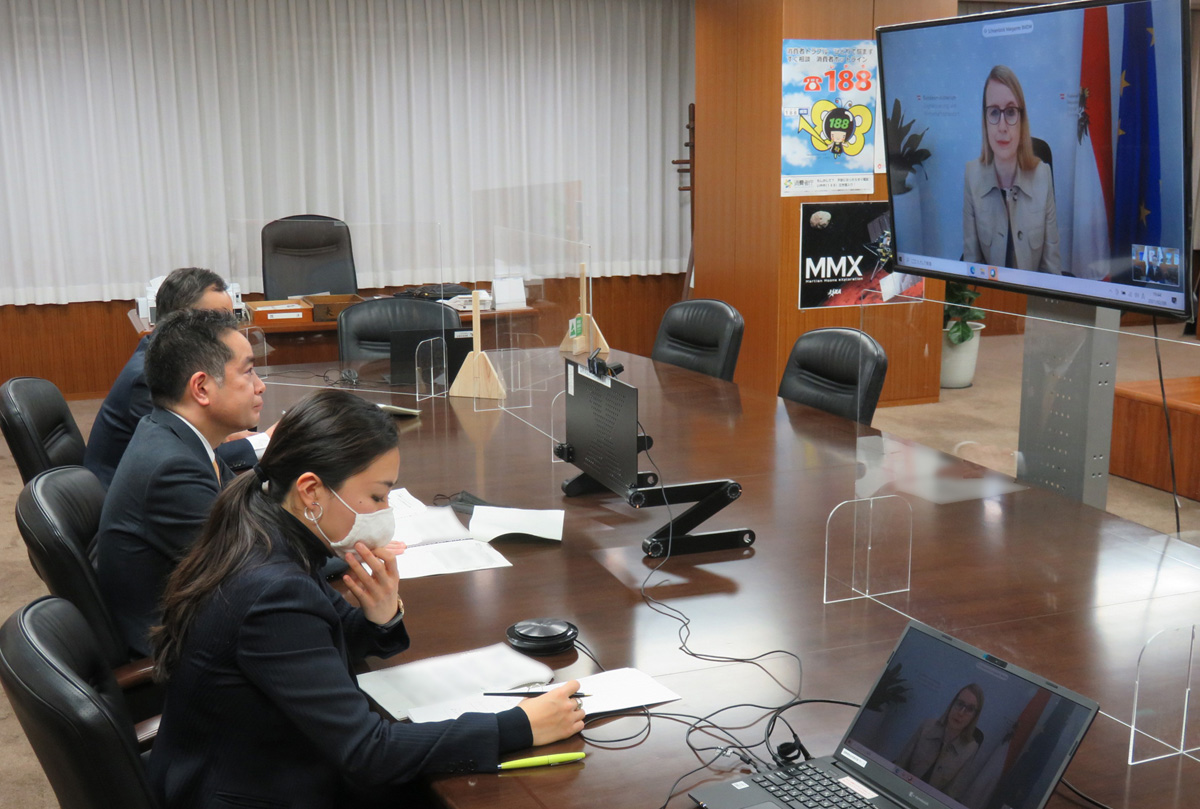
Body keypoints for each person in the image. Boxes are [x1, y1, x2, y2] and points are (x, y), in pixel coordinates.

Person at [147, 389, 585, 809]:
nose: (385, 509)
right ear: (311, 491)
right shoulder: (273, 590)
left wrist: (380, 618)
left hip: (259, 767)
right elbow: (367, 751)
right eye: (377, 495)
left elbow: (314, 652)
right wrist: (517, 725)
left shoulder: (270, 531)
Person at [95, 307, 265, 656]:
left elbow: (248, 510)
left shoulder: (177, 433)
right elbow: (251, 567)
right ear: (201, 388)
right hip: (183, 655)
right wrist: (336, 543)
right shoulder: (172, 470)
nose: (260, 385)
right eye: (248, 372)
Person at [84, 267, 270, 488]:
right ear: (183, 322)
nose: (229, 330)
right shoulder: (149, 376)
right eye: (216, 320)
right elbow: (192, 455)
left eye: (231, 318)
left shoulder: (168, 357)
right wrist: (266, 441)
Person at [962, 65, 1061, 274]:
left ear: (1022, 120)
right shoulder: (972, 175)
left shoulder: (1043, 176)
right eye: (994, 112)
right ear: (985, 120)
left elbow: (1051, 270)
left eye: (1010, 112)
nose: (1002, 126)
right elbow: (972, 265)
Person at [895, 684, 984, 798]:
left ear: (974, 716)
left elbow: (951, 794)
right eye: (960, 704)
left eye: (970, 709)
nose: (961, 713)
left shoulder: (970, 749)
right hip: (901, 790)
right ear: (952, 704)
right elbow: (900, 764)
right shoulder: (927, 726)